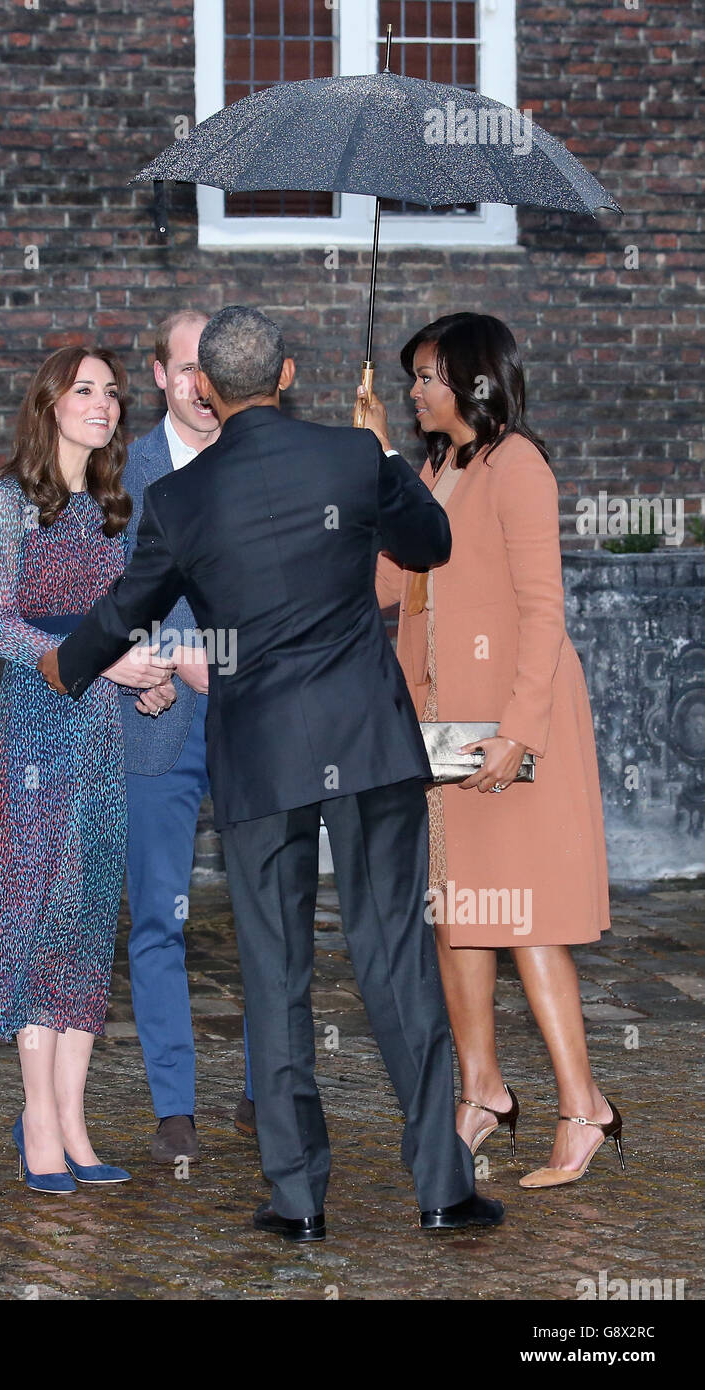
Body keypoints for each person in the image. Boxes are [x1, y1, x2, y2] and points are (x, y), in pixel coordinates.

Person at [39, 306, 503, 1239]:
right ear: (288, 373)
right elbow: (428, 546)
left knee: (275, 973)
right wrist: (379, 459)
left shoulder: (181, 500)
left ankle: (296, 1202)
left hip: (260, 757)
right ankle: (443, 1190)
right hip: (368, 744)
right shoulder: (351, 456)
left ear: (205, 387)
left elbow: (128, 606)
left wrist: (65, 664)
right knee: (394, 963)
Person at [366, 312, 622, 1189]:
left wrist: (519, 730)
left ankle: (583, 1103)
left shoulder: (518, 466)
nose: (414, 393)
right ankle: (480, 1092)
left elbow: (543, 610)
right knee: (456, 912)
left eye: (427, 377)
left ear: (471, 381)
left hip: (514, 722)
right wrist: (382, 477)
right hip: (438, 726)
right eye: (411, 380)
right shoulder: (437, 468)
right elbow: (389, 584)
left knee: (524, 917)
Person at [0, 346, 175, 1194]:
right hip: (34, 731)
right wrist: (93, 661)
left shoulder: (120, 508)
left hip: (102, 735)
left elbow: (128, 622)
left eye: (111, 392)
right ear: (50, 402)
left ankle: (76, 1122)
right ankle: (39, 1124)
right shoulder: (8, 502)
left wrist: (147, 674)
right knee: (34, 919)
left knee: (88, 925)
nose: (102, 402)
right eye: (84, 390)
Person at [121, 309, 254, 1164]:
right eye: (183, 368)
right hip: (157, 717)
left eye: (212, 369)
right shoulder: (119, 471)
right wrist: (161, 653)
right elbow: (97, 594)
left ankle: (264, 1088)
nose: (199, 384)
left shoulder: (263, 457)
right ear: (160, 377)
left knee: (262, 911)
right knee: (158, 914)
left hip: (253, 718)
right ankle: (174, 1103)